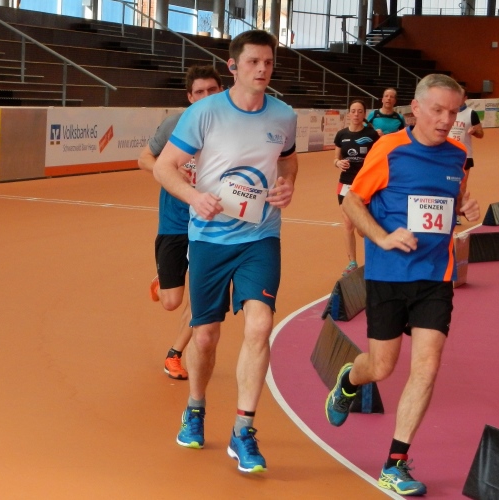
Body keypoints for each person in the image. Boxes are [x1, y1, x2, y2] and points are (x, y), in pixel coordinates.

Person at [325, 73, 479, 496]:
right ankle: (349, 381)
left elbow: (450, 202)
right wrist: (381, 237)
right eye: (438, 110)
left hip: (435, 276)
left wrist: (464, 208)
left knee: (427, 366)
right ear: (416, 107)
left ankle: (395, 463)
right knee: (382, 367)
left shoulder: (457, 155)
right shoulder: (388, 148)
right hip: (389, 275)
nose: (446, 120)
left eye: (454, 112)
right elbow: (353, 201)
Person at [153, 30, 298, 474]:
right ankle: (195, 408)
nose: (262, 69)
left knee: (260, 324)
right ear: (233, 66)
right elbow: (164, 167)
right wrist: (194, 197)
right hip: (210, 239)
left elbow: (288, 159)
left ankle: (243, 430)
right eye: (253, 62)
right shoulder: (204, 112)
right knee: (205, 336)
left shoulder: (284, 115)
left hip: (260, 236)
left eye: (268, 62)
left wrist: (288, 184)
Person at [138, 65, 223, 381]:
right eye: (199, 92)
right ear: (190, 96)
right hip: (175, 222)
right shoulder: (175, 124)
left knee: (203, 297)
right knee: (171, 302)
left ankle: (174, 353)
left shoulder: (232, 127)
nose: (205, 96)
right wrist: (169, 171)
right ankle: (162, 280)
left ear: (221, 91)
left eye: (211, 90)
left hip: (212, 223)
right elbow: (144, 158)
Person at [333, 99, 379, 276]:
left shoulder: (372, 134)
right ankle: (352, 262)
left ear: (364, 114)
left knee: (362, 228)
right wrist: (338, 163)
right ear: (349, 113)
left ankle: (374, 256)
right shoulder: (341, 135)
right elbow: (336, 158)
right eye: (353, 111)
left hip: (365, 185)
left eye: (360, 111)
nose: (356, 114)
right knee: (347, 223)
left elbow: (379, 156)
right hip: (345, 184)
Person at [447, 87, 483, 224]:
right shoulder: (449, 112)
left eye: (460, 96)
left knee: (461, 185)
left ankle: (457, 213)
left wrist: (474, 131)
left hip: (465, 155)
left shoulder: (471, 114)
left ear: (465, 98)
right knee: (447, 183)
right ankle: (447, 210)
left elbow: (481, 134)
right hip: (448, 153)